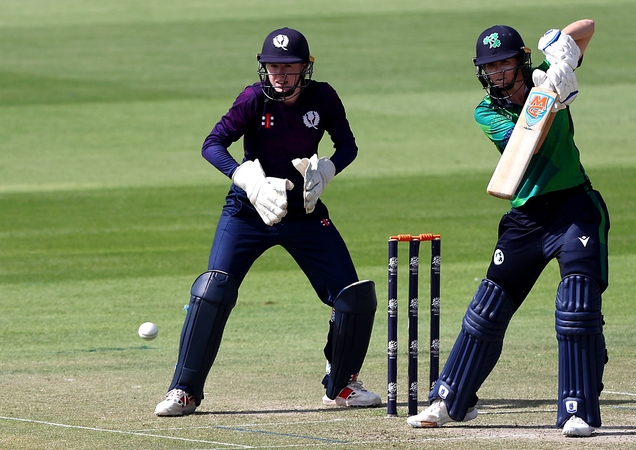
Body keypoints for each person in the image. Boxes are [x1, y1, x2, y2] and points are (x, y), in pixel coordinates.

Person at [154, 27, 381, 416]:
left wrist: (326, 170)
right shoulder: (252, 99)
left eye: (288, 67)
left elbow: (348, 146)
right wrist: (246, 178)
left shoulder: (322, 97)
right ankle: (184, 391)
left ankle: (341, 385)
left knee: (353, 297)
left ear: (304, 69)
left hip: (304, 213)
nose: (280, 74)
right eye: (273, 66)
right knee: (213, 291)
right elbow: (212, 144)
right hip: (247, 212)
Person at [407, 20, 609, 438]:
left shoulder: (550, 75)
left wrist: (561, 51)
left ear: (522, 62)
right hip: (525, 217)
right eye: (490, 67)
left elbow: (586, 28)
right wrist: (550, 98)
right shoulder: (487, 112)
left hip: (574, 207)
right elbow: (528, 144)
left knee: (576, 306)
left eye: (505, 64)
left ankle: (578, 410)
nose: (498, 74)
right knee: (487, 309)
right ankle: (451, 399)